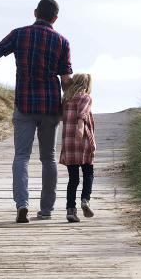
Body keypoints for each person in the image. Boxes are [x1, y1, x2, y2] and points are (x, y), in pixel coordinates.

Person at [0, 0, 73, 223]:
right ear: (55, 18)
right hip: (50, 106)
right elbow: (66, 80)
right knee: (48, 158)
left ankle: (22, 204)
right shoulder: (62, 41)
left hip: (24, 104)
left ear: (35, 13)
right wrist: (72, 101)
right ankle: (46, 209)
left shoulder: (19, 34)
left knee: (21, 156)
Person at [59, 73, 96, 223]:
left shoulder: (66, 99)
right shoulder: (85, 97)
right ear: (87, 84)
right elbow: (83, 114)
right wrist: (80, 128)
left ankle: (70, 210)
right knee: (88, 172)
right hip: (83, 141)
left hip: (68, 142)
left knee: (73, 179)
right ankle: (85, 200)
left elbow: (61, 117)